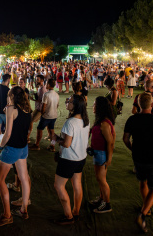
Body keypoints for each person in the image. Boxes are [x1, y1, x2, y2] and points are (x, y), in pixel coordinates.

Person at [123, 92, 153, 233]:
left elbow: (126, 139)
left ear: (138, 104)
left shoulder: (132, 120)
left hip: (138, 158)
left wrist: (132, 149)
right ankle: (143, 213)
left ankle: (146, 208)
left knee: (142, 182)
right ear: (152, 105)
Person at [0, 86, 32, 227]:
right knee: (24, 177)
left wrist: (1, 145)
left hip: (12, 148)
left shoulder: (11, 109)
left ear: (12, 96)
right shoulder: (27, 109)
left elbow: (8, 133)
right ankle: (24, 209)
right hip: (23, 148)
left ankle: (7, 215)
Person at [52, 95, 90, 225]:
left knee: (58, 185)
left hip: (69, 159)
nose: (67, 102)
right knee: (77, 185)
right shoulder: (86, 120)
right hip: (80, 158)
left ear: (75, 106)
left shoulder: (70, 122)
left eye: (69, 101)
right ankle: (76, 211)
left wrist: (56, 138)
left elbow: (67, 143)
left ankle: (69, 216)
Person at [89, 96, 115, 213]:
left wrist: (109, 159)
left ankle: (107, 204)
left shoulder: (104, 123)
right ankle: (102, 199)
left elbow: (110, 142)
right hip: (97, 152)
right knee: (100, 179)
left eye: (95, 105)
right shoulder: (100, 121)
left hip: (102, 154)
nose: (93, 106)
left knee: (101, 180)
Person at [30, 79, 59, 151]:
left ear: (48, 85)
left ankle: (37, 145)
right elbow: (57, 106)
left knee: (39, 129)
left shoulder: (46, 95)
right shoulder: (57, 94)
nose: (45, 85)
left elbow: (43, 107)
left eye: (46, 84)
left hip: (46, 116)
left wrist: (42, 114)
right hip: (54, 115)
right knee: (52, 131)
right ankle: (52, 146)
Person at [27, 74, 47, 143]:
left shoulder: (43, 89)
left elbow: (42, 101)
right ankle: (50, 136)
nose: (36, 81)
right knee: (47, 124)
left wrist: (33, 99)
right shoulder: (40, 88)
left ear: (42, 80)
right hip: (39, 108)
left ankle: (28, 137)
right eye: (36, 79)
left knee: (30, 121)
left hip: (40, 109)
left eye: (37, 79)